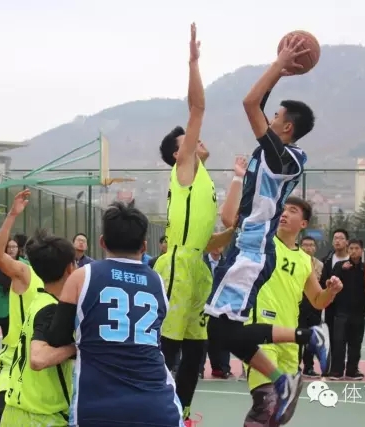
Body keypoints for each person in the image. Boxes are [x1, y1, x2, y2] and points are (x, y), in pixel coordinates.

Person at [204, 36, 331, 423]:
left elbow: (249, 103)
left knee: (221, 331)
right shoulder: (277, 150)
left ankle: (307, 340)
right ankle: (283, 376)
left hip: (253, 248)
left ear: (286, 126)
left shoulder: (285, 159)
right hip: (248, 246)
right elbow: (257, 106)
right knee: (223, 330)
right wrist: (280, 73)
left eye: (276, 116)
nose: (269, 118)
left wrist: (279, 63)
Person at [47, 200, 183, 427]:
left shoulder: (82, 276)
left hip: (96, 405)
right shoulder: (156, 281)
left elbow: (57, 337)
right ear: (144, 246)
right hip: (157, 404)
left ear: (102, 242)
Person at [154, 23, 217, 423]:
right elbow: (197, 109)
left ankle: (184, 411)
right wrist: (193, 62)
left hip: (199, 266)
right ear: (180, 154)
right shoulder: (185, 169)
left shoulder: (204, 180)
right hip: (179, 265)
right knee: (169, 346)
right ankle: (155, 408)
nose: (196, 141)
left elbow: (211, 239)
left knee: (196, 348)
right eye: (188, 141)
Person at [242, 198, 337, 427]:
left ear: (303, 223)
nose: (284, 214)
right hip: (260, 333)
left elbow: (317, 300)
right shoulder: (264, 243)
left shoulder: (305, 260)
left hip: (289, 339)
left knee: (278, 415)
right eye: (282, 210)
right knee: (265, 403)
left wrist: (331, 291)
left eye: (292, 211)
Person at [1, 229, 77, 427]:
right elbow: (38, 359)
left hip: (15, 413)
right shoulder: (51, 309)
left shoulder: (38, 301)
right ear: (70, 268)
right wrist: (75, 347)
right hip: (42, 417)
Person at [0, 190, 42, 427]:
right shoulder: (24, 272)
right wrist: (11, 215)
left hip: (41, 361)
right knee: (1, 413)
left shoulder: (65, 282)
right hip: (14, 359)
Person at [328, 239, 365, 380]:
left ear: (362, 251)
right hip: (341, 311)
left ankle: (352, 370)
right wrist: (341, 270)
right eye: (351, 248)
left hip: (359, 312)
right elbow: (331, 282)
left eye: (357, 248)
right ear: (348, 250)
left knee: (355, 343)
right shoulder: (340, 265)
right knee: (339, 342)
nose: (354, 251)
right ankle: (336, 371)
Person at [315, 228, 349, 376]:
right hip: (330, 305)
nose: (337, 241)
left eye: (341, 238)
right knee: (332, 338)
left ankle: (349, 368)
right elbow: (321, 282)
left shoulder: (353, 260)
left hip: (348, 306)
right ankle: (331, 368)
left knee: (348, 339)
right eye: (335, 238)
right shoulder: (326, 260)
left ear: (347, 242)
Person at [201, 246, 231, 379]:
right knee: (201, 339)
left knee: (222, 338)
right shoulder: (200, 262)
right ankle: (198, 369)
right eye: (215, 244)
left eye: (221, 244)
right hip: (202, 305)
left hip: (221, 307)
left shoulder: (228, 263)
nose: (217, 247)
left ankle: (221, 368)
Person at [297, 235, 324, 377]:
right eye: (305, 245)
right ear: (300, 247)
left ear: (315, 248)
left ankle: (309, 366)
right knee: (296, 337)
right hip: (297, 305)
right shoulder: (295, 262)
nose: (308, 248)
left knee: (312, 338)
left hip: (314, 306)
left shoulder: (320, 265)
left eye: (311, 245)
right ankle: (294, 366)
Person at [0, 238, 21, 340]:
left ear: (18, 249)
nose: (11, 249)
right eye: (9, 247)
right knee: (7, 337)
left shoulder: (24, 264)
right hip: (5, 307)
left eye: (14, 247)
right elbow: (5, 284)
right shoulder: (0, 264)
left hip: (20, 307)